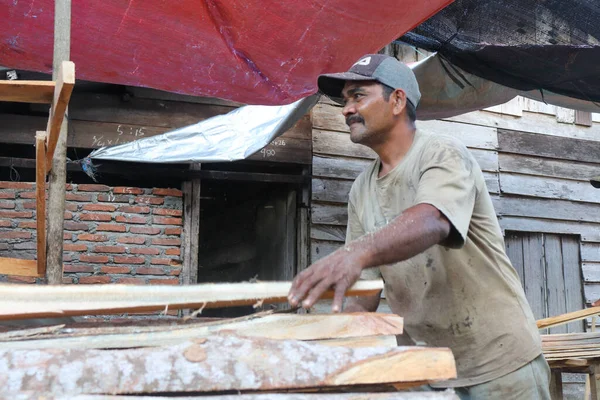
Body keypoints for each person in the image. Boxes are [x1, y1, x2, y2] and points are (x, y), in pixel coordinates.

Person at [287, 54, 550, 399]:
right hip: (428, 370)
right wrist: (327, 346)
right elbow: (364, 293)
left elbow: (434, 220)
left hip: (498, 364)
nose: (346, 109)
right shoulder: (361, 190)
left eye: (358, 96)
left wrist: (357, 252)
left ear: (397, 100)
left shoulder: (442, 153)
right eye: (344, 100)